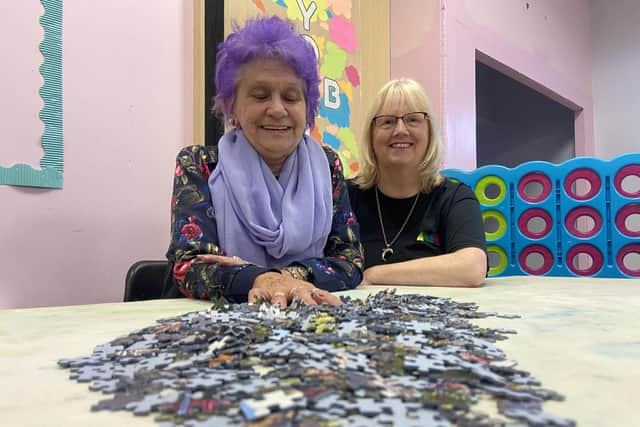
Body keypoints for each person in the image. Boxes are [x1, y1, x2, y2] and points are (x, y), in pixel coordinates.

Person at [165, 16, 363, 306]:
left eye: (291, 97)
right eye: (260, 96)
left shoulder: (328, 164)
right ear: (232, 107)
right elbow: (189, 265)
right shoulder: (200, 163)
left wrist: (285, 278)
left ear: (307, 109)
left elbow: (350, 260)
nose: (277, 109)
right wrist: (262, 280)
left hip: (313, 322)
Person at [348, 78, 487, 287]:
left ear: (429, 132)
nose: (400, 130)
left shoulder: (455, 197)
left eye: (413, 120)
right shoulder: (345, 197)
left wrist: (374, 275)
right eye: (387, 121)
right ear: (371, 135)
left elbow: (472, 268)